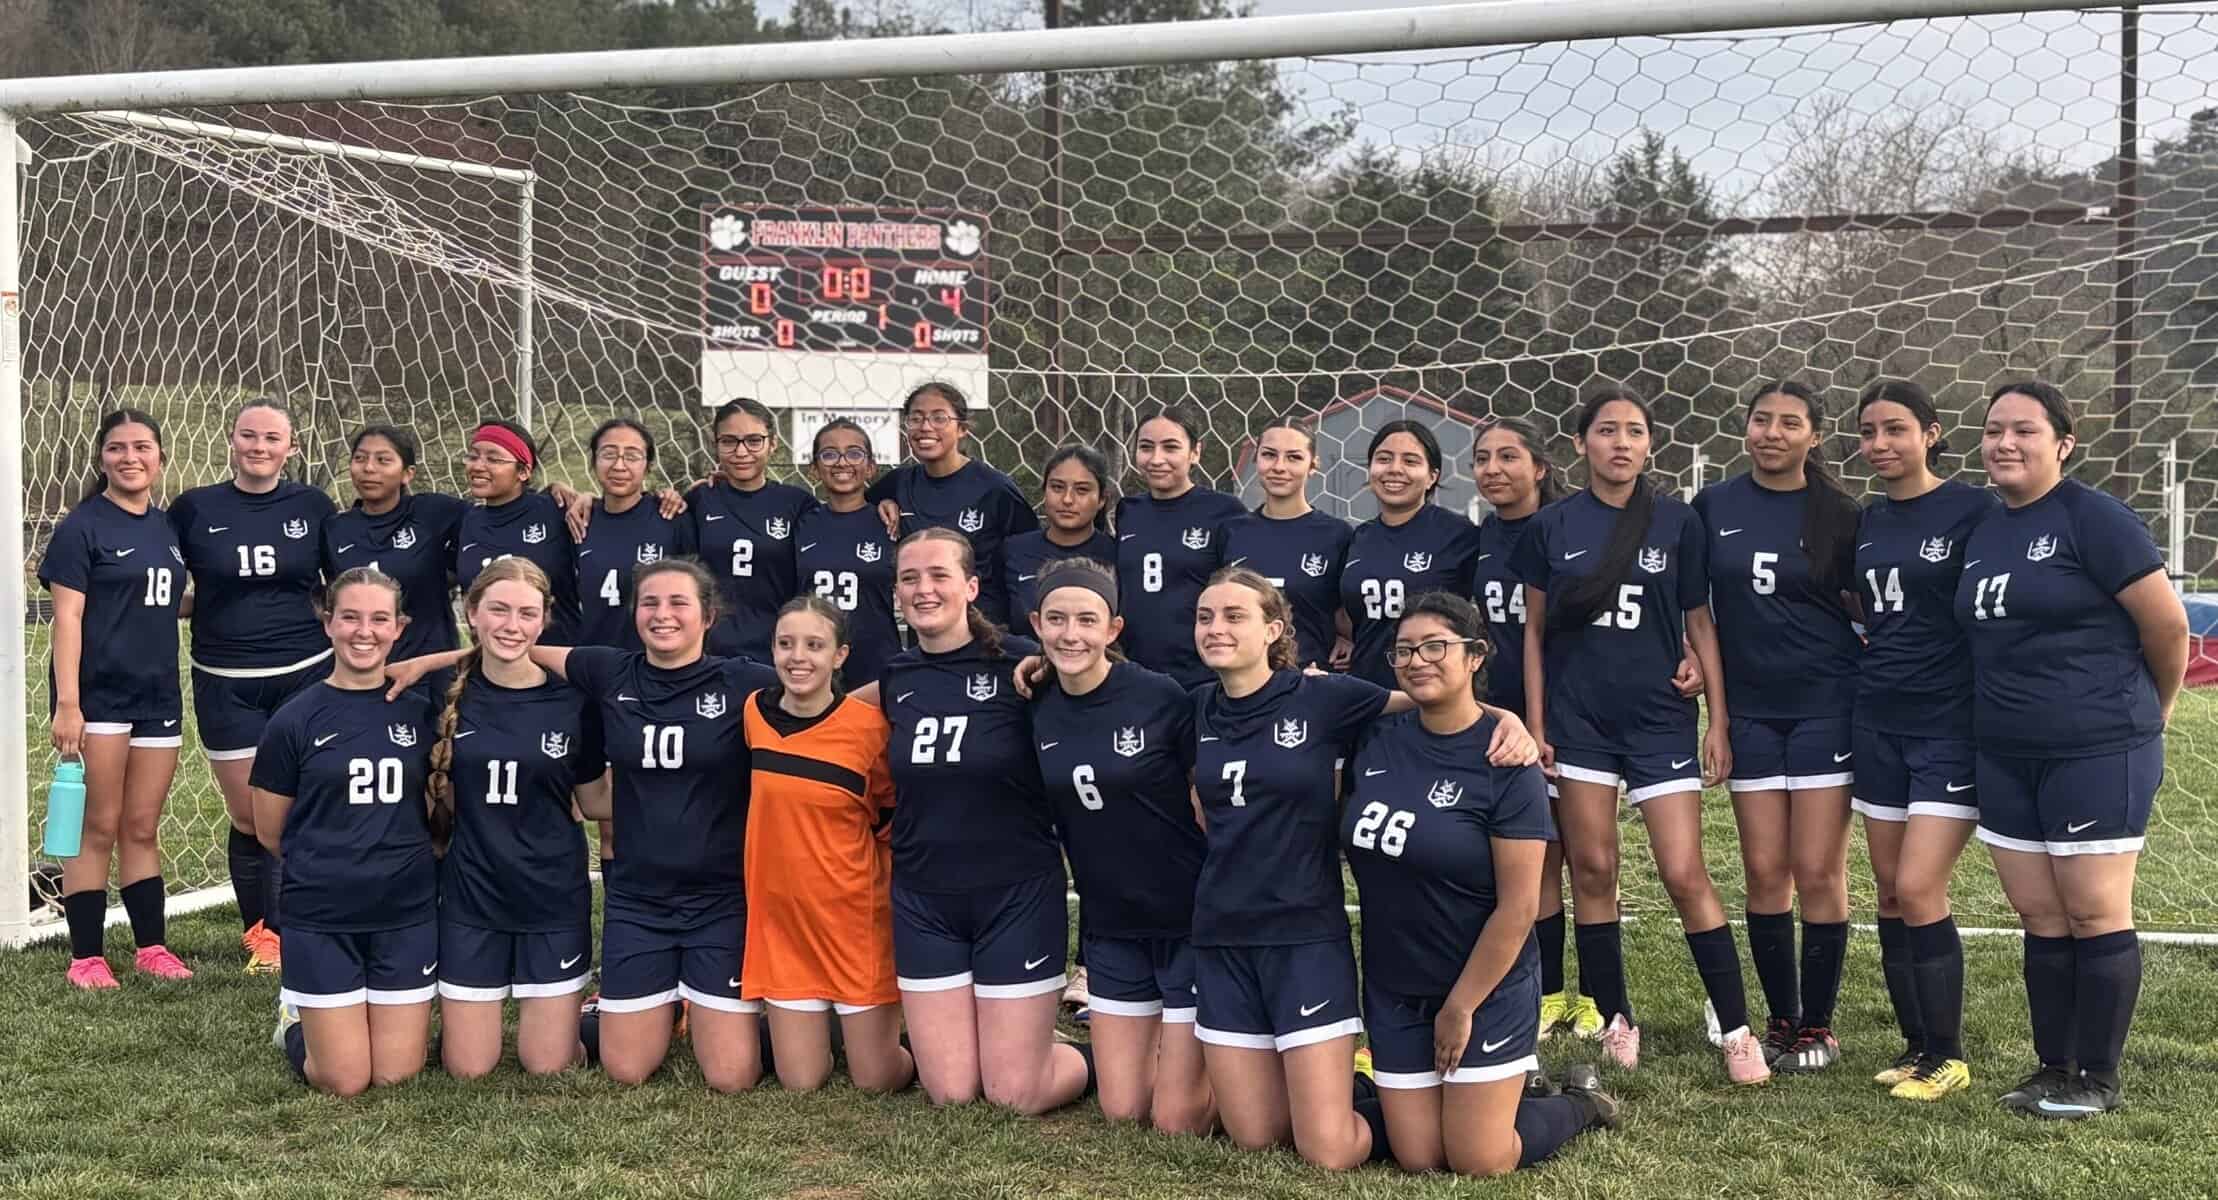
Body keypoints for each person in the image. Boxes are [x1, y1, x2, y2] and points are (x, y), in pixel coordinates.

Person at [1186, 567, 1536, 1170]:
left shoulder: (1327, 700)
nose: (1216, 627)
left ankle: (1571, 1103)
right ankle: (1358, 1094)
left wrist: (1511, 719)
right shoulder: (1190, 707)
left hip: (1307, 935)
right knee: (1262, 1136)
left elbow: (1443, 698)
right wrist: (1027, 667)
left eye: (1234, 615)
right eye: (1205, 616)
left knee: (1454, 1156)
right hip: (1234, 935)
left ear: (1273, 629)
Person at [394, 558, 777, 1090]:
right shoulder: (608, 672)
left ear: (708, 616)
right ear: (634, 612)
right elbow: (509, 644)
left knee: (732, 1077)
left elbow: (817, 689)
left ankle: (772, 1021)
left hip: (718, 896)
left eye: (678, 604)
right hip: (634, 898)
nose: (662, 615)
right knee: (616, 1068)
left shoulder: (746, 682)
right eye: (650, 603)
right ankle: (638, 1009)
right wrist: (425, 664)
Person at [1513, 384, 1768, 1084]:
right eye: (1605, 431)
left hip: (1659, 720)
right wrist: (1537, 725)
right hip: (1579, 722)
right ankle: (1618, 1017)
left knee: (1685, 872)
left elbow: (1699, 621)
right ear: (1580, 443)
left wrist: (1717, 715)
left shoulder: (1678, 522)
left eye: (1633, 432)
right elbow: (1533, 633)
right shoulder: (1551, 527)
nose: (1619, 443)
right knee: (1593, 871)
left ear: (1650, 444)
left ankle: (1738, 1028)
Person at [1955, 380, 2187, 1119]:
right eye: (1994, 430)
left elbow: (2169, 626)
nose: (2006, 443)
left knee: (2093, 912)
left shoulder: (2095, 518)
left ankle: (2099, 1077)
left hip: (2097, 746)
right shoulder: (1984, 529)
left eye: (2024, 430)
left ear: (2063, 443)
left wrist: (2156, 707)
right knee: (2040, 915)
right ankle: (2053, 1066)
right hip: (2004, 748)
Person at [1345, 594, 1619, 1176]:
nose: (1417, 660)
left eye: (1435, 646)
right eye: (1403, 650)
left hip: (1483, 990)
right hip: (1396, 986)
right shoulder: (1376, 738)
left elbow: (1520, 908)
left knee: (1479, 1159)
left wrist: (1460, 1006)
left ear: (1474, 656)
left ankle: (1577, 1102)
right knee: (1420, 1157)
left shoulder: (1505, 761)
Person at [856, 528, 1090, 1113]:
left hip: (1015, 895)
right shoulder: (895, 677)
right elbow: (821, 712)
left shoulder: (1025, 666)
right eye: (910, 578)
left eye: (939, 575)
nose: (923, 589)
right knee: (952, 1093)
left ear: (972, 586)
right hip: (924, 900)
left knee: (1014, 1094)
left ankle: (1095, 1056)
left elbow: (1110, 685)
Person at [1692, 381, 1863, 1073]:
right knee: (1765, 871)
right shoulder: (1714, 507)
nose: (1772, 432)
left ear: (1813, 436)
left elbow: (1870, 609)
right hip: (1752, 712)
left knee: (1818, 869)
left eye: (1790, 422)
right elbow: (1695, 611)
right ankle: (1782, 1018)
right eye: (1761, 419)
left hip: (1827, 706)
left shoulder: (1842, 514)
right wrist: (1718, 716)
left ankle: (1819, 1026)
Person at [1851, 379, 2002, 1101]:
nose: (1881, 445)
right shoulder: (1868, 520)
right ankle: (1914, 1046)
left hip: (1948, 724)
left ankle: (1947, 1053)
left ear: (1932, 434)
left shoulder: (1973, 509)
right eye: (1870, 432)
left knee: (1919, 887)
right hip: (1877, 720)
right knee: (1887, 893)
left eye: (1896, 430)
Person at [1027, 558, 1212, 1134]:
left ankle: (1261, 1066)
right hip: (1111, 927)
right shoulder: (1032, 699)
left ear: (1113, 628)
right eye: (1056, 619)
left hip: (1187, 922)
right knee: (1123, 1110)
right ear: (1036, 624)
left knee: (1177, 1121)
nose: (1070, 633)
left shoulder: (1160, 697)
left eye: (1087, 619)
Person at [255, 567, 439, 1096]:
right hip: (323, 912)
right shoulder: (296, 719)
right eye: (351, 617)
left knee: (397, 1074)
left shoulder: (421, 709)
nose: (365, 631)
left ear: (399, 628)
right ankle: (294, 1023)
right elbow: (271, 831)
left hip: (405, 911)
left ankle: (334, 1013)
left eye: (380, 619)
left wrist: (430, 661)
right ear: (328, 623)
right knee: (344, 1079)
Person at [170, 398, 337, 974]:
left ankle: (303, 925)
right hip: (226, 680)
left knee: (305, 808)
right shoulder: (193, 508)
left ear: (291, 447)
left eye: (272, 438)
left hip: (306, 675)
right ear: (232, 441)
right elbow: (166, 576)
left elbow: (340, 583)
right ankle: (262, 935)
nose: (259, 447)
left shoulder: (313, 506)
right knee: (250, 816)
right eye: (249, 436)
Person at [424, 559, 603, 1078]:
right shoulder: (438, 693)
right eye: (498, 610)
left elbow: (593, 799)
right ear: (471, 612)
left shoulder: (573, 701)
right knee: (469, 1069)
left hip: (551, 898)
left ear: (545, 620)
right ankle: (299, 1018)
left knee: (547, 1065)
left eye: (527, 613)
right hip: (471, 897)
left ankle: (597, 1018)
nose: (511, 625)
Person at [40, 409, 192, 988]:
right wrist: (69, 703)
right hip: (98, 697)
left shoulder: (167, 526)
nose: (130, 458)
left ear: (159, 455)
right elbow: (68, 618)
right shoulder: (83, 526)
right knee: (95, 827)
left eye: (142, 447)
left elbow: (165, 602)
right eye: (116, 448)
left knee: (142, 826)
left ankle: (151, 947)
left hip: (158, 693)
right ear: (100, 458)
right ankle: (86, 955)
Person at [740, 597, 914, 1094]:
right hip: (782, 927)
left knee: (876, 1081)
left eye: (815, 645)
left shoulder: (869, 731)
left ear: (840, 656)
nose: (799, 657)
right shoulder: (755, 713)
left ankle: (923, 1041)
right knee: (801, 1081)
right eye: (786, 644)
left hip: (853, 924)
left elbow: (890, 819)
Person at [1467, 417, 1597, 1041]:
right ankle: (1547, 996)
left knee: (1588, 862)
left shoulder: (1574, 526)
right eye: (1483, 458)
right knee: (1534, 863)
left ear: (1541, 467)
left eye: (1509, 457)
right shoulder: (1481, 538)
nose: (1494, 469)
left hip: (1570, 714)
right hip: (1501, 722)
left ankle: (1598, 998)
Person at [867, 382, 1037, 628]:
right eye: (916, 418)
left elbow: (1027, 557)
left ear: (962, 429)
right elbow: (856, 514)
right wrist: (882, 503)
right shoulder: (898, 483)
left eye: (939, 418)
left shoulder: (995, 489)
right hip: (926, 632)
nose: (925, 427)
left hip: (986, 635)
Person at [322, 426, 469, 695]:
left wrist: (558, 490)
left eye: (383, 460)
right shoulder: (334, 529)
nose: (369, 468)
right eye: (360, 458)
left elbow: (502, 513)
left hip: (428, 672)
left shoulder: (433, 513)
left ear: (407, 473)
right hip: (362, 671)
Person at [1338, 420, 1485, 688]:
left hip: (1433, 694)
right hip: (1367, 692)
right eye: (1384, 459)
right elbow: (1350, 611)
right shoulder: (1359, 537)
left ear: (1432, 476)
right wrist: (1342, 637)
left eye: (1410, 461)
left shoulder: (1460, 535)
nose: (1395, 469)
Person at [1112, 404, 1248, 688]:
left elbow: (1243, 591)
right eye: (1146, 447)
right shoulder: (1128, 511)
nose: (1156, 458)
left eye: (1171, 447)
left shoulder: (1223, 510)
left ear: (1195, 452)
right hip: (1136, 672)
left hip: (1202, 675)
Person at [686, 398, 815, 661]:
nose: (741, 452)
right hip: (707, 651)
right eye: (729, 441)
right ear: (716, 445)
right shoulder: (700, 499)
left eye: (754, 440)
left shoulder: (798, 503)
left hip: (776, 652)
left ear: (773, 443)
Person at [1222, 419, 1352, 670]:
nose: (1279, 467)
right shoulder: (1231, 531)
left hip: (1311, 679)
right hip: (1242, 680)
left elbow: (1344, 612)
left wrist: (1348, 638)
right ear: (1255, 459)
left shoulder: (1337, 535)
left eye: (1294, 457)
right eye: (1269, 455)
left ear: (1313, 465)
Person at [795, 419, 901, 686]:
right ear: (814, 469)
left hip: (876, 665)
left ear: (871, 467)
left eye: (854, 453)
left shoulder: (891, 521)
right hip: (812, 664)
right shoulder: (800, 521)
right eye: (829, 454)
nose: (842, 462)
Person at [573, 418, 695, 652]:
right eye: (608, 454)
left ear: (648, 465)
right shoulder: (579, 520)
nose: (619, 466)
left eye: (632, 456)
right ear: (593, 461)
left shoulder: (671, 517)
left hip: (656, 660)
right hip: (593, 660)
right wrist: (557, 486)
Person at [456, 420, 581, 645]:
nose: (477, 466)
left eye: (493, 459)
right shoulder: (466, 521)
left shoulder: (556, 509)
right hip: (489, 668)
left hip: (558, 668)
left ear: (523, 472)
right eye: (473, 456)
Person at [999, 444, 1118, 622]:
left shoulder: (1117, 555)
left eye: (1082, 490)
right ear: (1044, 491)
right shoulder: (1012, 551)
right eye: (1057, 487)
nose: (1067, 499)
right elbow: (996, 624)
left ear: (1102, 499)